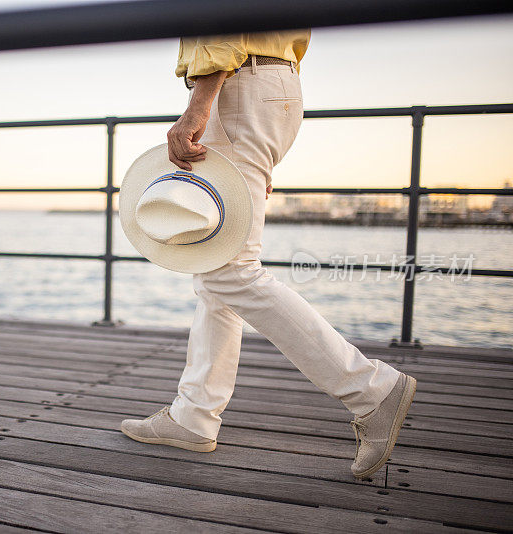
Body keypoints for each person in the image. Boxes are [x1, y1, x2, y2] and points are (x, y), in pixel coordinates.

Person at [120, 32, 417, 479]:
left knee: (230, 271)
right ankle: (194, 416)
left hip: (239, 86)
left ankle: (370, 389)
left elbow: (224, 20)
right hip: (268, 90)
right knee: (214, 270)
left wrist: (199, 106)